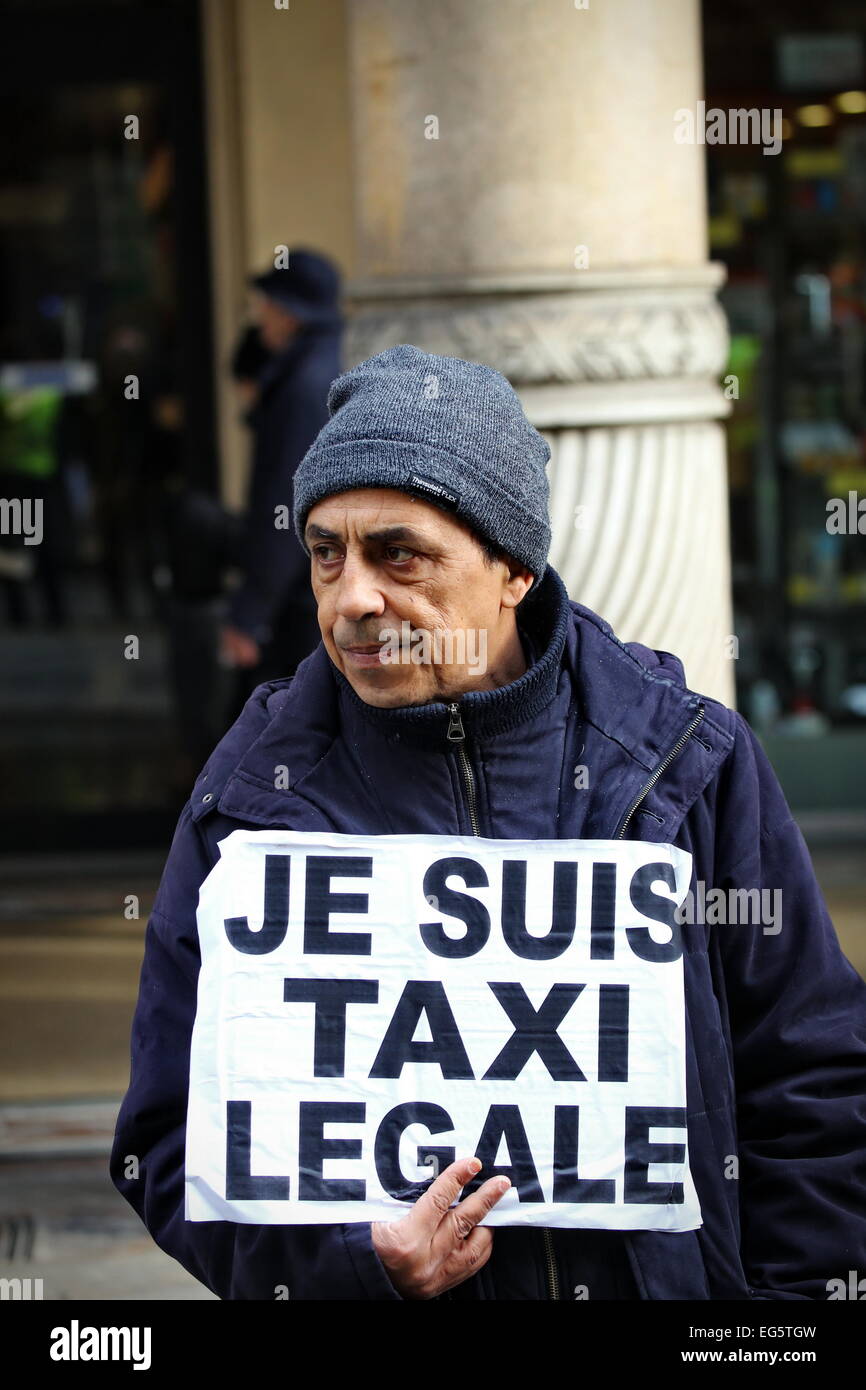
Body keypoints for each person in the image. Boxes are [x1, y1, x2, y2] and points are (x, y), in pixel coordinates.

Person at [111, 344, 866, 1300]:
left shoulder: (686, 764)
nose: (351, 600)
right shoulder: (257, 800)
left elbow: (814, 1081)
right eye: (325, 553)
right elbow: (168, 1143)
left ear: (512, 568)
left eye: (399, 554)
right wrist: (356, 1268)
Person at [220, 249, 343, 721]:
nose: (260, 318)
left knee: (272, 737)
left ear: (291, 311)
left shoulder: (303, 385)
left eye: (266, 305)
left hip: (295, 604)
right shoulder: (312, 372)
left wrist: (250, 612)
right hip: (302, 595)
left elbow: (287, 503)